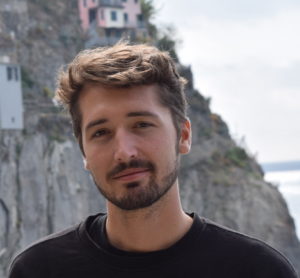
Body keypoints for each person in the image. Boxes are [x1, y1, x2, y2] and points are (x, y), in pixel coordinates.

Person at [9, 42, 298, 278]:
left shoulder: (257, 270)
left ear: (183, 135)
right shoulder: (38, 270)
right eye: (101, 132)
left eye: (142, 125)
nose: (124, 152)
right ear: (84, 151)